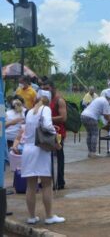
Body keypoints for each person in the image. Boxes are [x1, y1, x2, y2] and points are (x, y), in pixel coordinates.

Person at [18, 92, 65, 225]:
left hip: (28, 150)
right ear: (48, 100)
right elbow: (48, 125)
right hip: (41, 150)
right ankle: (49, 216)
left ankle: (32, 217)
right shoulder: (46, 109)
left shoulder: (29, 112)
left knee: (31, 185)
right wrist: (56, 141)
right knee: (46, 184)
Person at [42, 80, 67, 190]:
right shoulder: (45, 101)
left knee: (59, 157)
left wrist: (48, 119)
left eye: (47, 88)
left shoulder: (59, 100)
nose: (45, 91)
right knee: (47, 158)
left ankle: (60, 181)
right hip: (47, 132)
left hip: (58, 133)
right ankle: (49, 181)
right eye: (44, 89)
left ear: (53, 88)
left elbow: (63, 117)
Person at [81, 89, 110, 158]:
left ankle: (90, 152)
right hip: (91, 117)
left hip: (83, 115)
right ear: (109, 98)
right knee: (94, 134)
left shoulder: (99, 99)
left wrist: (109, 116)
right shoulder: (105, 101)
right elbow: (106, 116)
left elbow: (100, 112)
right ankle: (93, 153)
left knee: (89, 134)